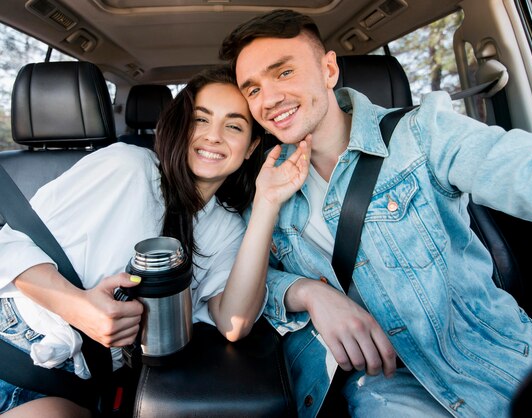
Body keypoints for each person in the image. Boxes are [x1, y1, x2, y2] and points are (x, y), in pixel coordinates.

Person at [219, 9, 532, 418]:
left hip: (495, 362)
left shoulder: (424, 134)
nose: (268, 99)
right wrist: (306, 292)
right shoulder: (266, 187)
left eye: (284, 73)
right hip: (384, 384)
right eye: (251, 89)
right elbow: (250, 283)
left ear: (328, 69)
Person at [0, 65, 310, 417]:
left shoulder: (226, 228)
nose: (214, 136)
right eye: (201, 120)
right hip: (11, 336)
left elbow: (234, 323)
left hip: (70, 383)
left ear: (252, 145)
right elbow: (6, 247)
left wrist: (267, 203)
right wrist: (79, 307)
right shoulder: (127, 166)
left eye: (235, 126)